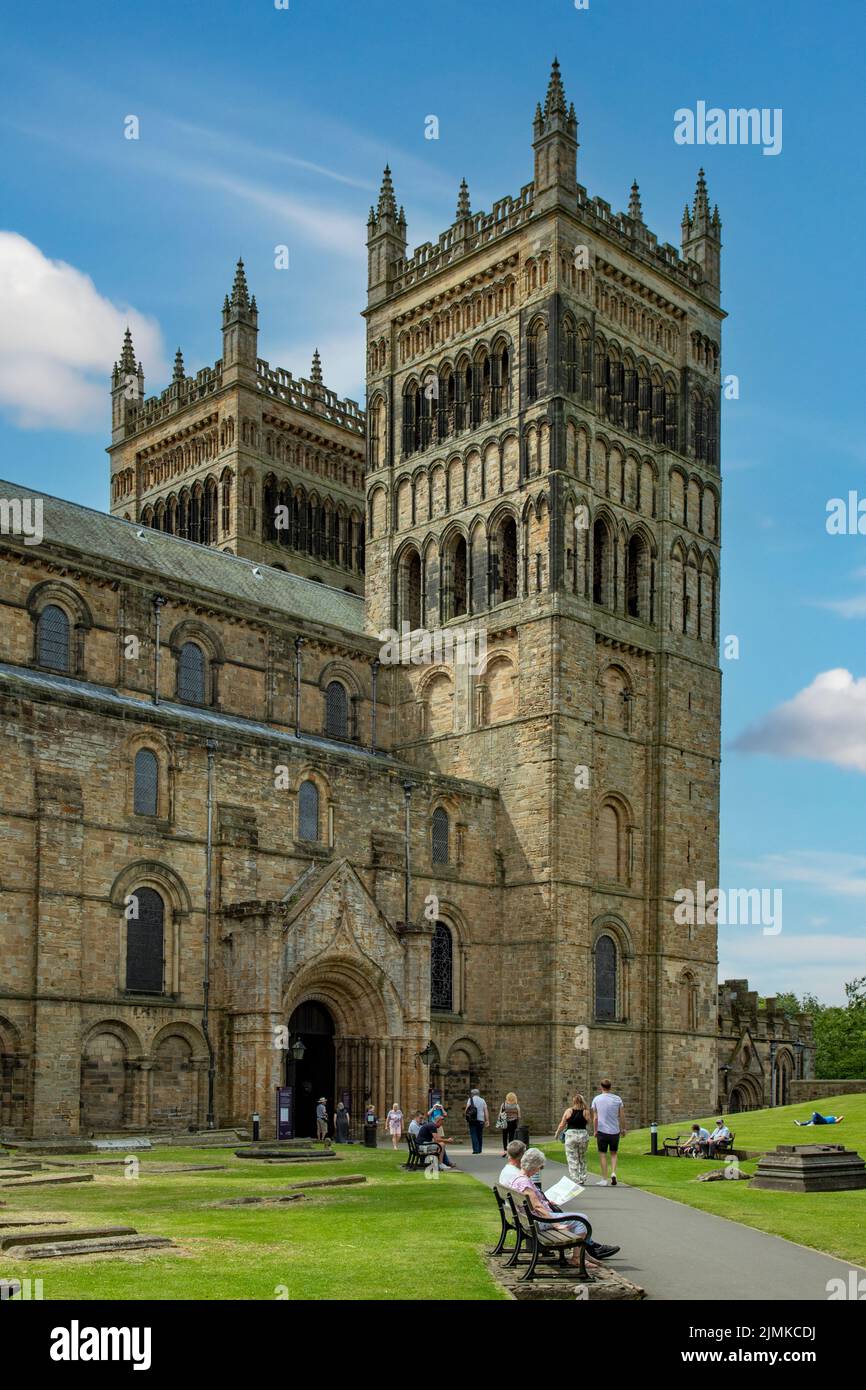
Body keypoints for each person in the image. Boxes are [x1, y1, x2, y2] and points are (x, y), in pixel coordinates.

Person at [498, 1141, 620, 1261]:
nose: (538, 1171)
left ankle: (585, 1253)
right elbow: (537, 1207)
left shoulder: (517, 1178)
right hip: (537, 1221)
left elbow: (535, 1204)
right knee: (581, 1220)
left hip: (527, 1219)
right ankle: (578, 1257)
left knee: (577, 1218)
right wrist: (556, 1224)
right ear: (533, 1166)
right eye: (539, 1167)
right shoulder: (524, 1182)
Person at [591, 1078, 625, 1186]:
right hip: (615, 1131)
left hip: (602, 1130)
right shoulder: (617, 1099)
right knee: (614, 1153)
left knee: (602, 1154)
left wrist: (595, 1130)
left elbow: (595, 1117)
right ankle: (613, 1172)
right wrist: (623, 1128)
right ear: (610, 1087)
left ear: (601, 1087)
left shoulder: (596, 1099)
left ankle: (604, 1179)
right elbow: (622, 1116)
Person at [554, 1092, 591, 1184]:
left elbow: (562, 1124)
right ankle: (582, 1177)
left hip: (571, 1135)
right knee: (582, 1157)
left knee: (571, 1157)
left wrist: (557, 1133)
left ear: (573, 1101)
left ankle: (575, 1177)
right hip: (583, 1135)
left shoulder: (568, 1111)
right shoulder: (586, 1112)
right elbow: (588, 1122)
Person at [465, 1088, 489, 1154]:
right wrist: (487, 1120)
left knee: (473, 1134)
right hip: (481, 1120)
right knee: (479, 1134)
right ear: (478, 1094)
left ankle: (476, 1150)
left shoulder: (470, 1100)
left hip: (472, 1120)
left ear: (472, 1094)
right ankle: (480, 1149)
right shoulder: (482, 1100)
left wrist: (467, 1116)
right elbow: (485, 1110)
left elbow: (467, 1109)